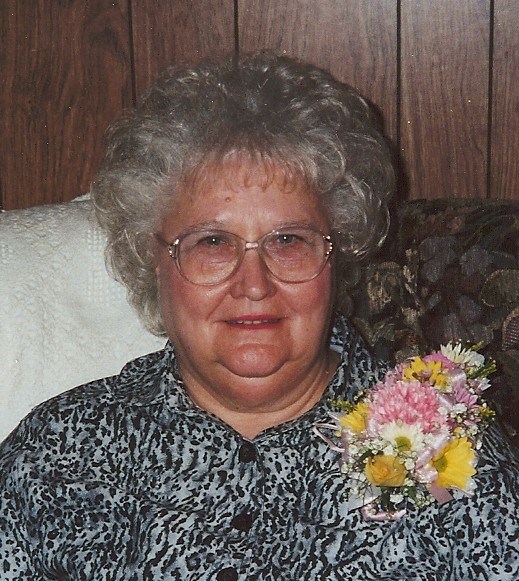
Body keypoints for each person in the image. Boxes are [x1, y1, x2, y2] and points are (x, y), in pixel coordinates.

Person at [0, 53, 517, 580]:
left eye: (288, 240)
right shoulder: (58, 452)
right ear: (153, 258)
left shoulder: (452, 451)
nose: (254, 284)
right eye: (212, 242)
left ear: (339, 252)